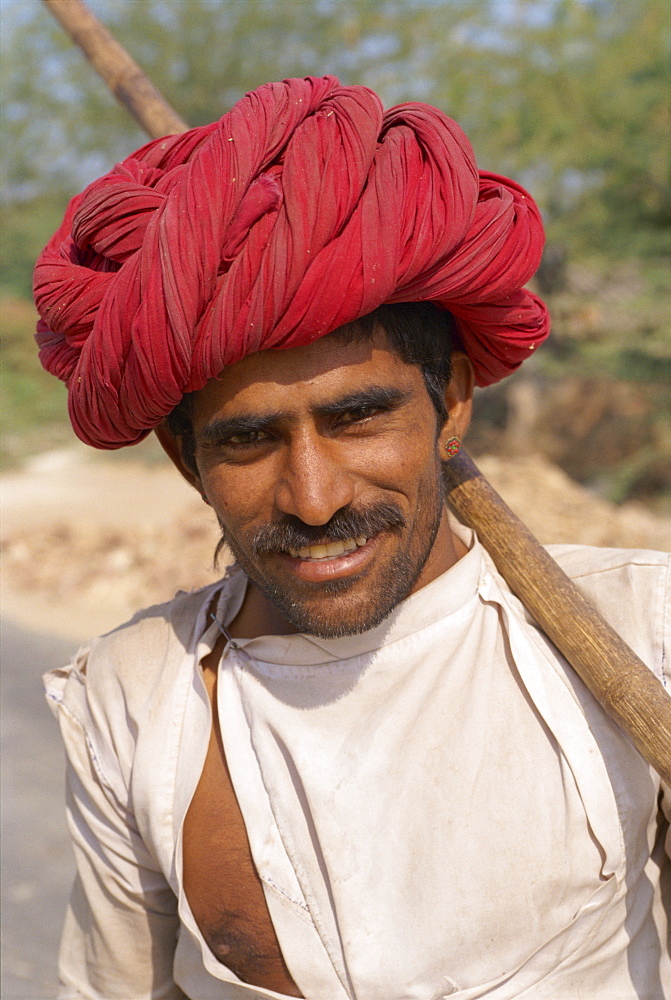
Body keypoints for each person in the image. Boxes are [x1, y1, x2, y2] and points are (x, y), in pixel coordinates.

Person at [34, 77, 669, 1000]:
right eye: (247, 440)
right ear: (185, 458)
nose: (315, 497)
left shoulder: (642, 626)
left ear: (450, 404)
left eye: (357, 417)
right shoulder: (131, 699)